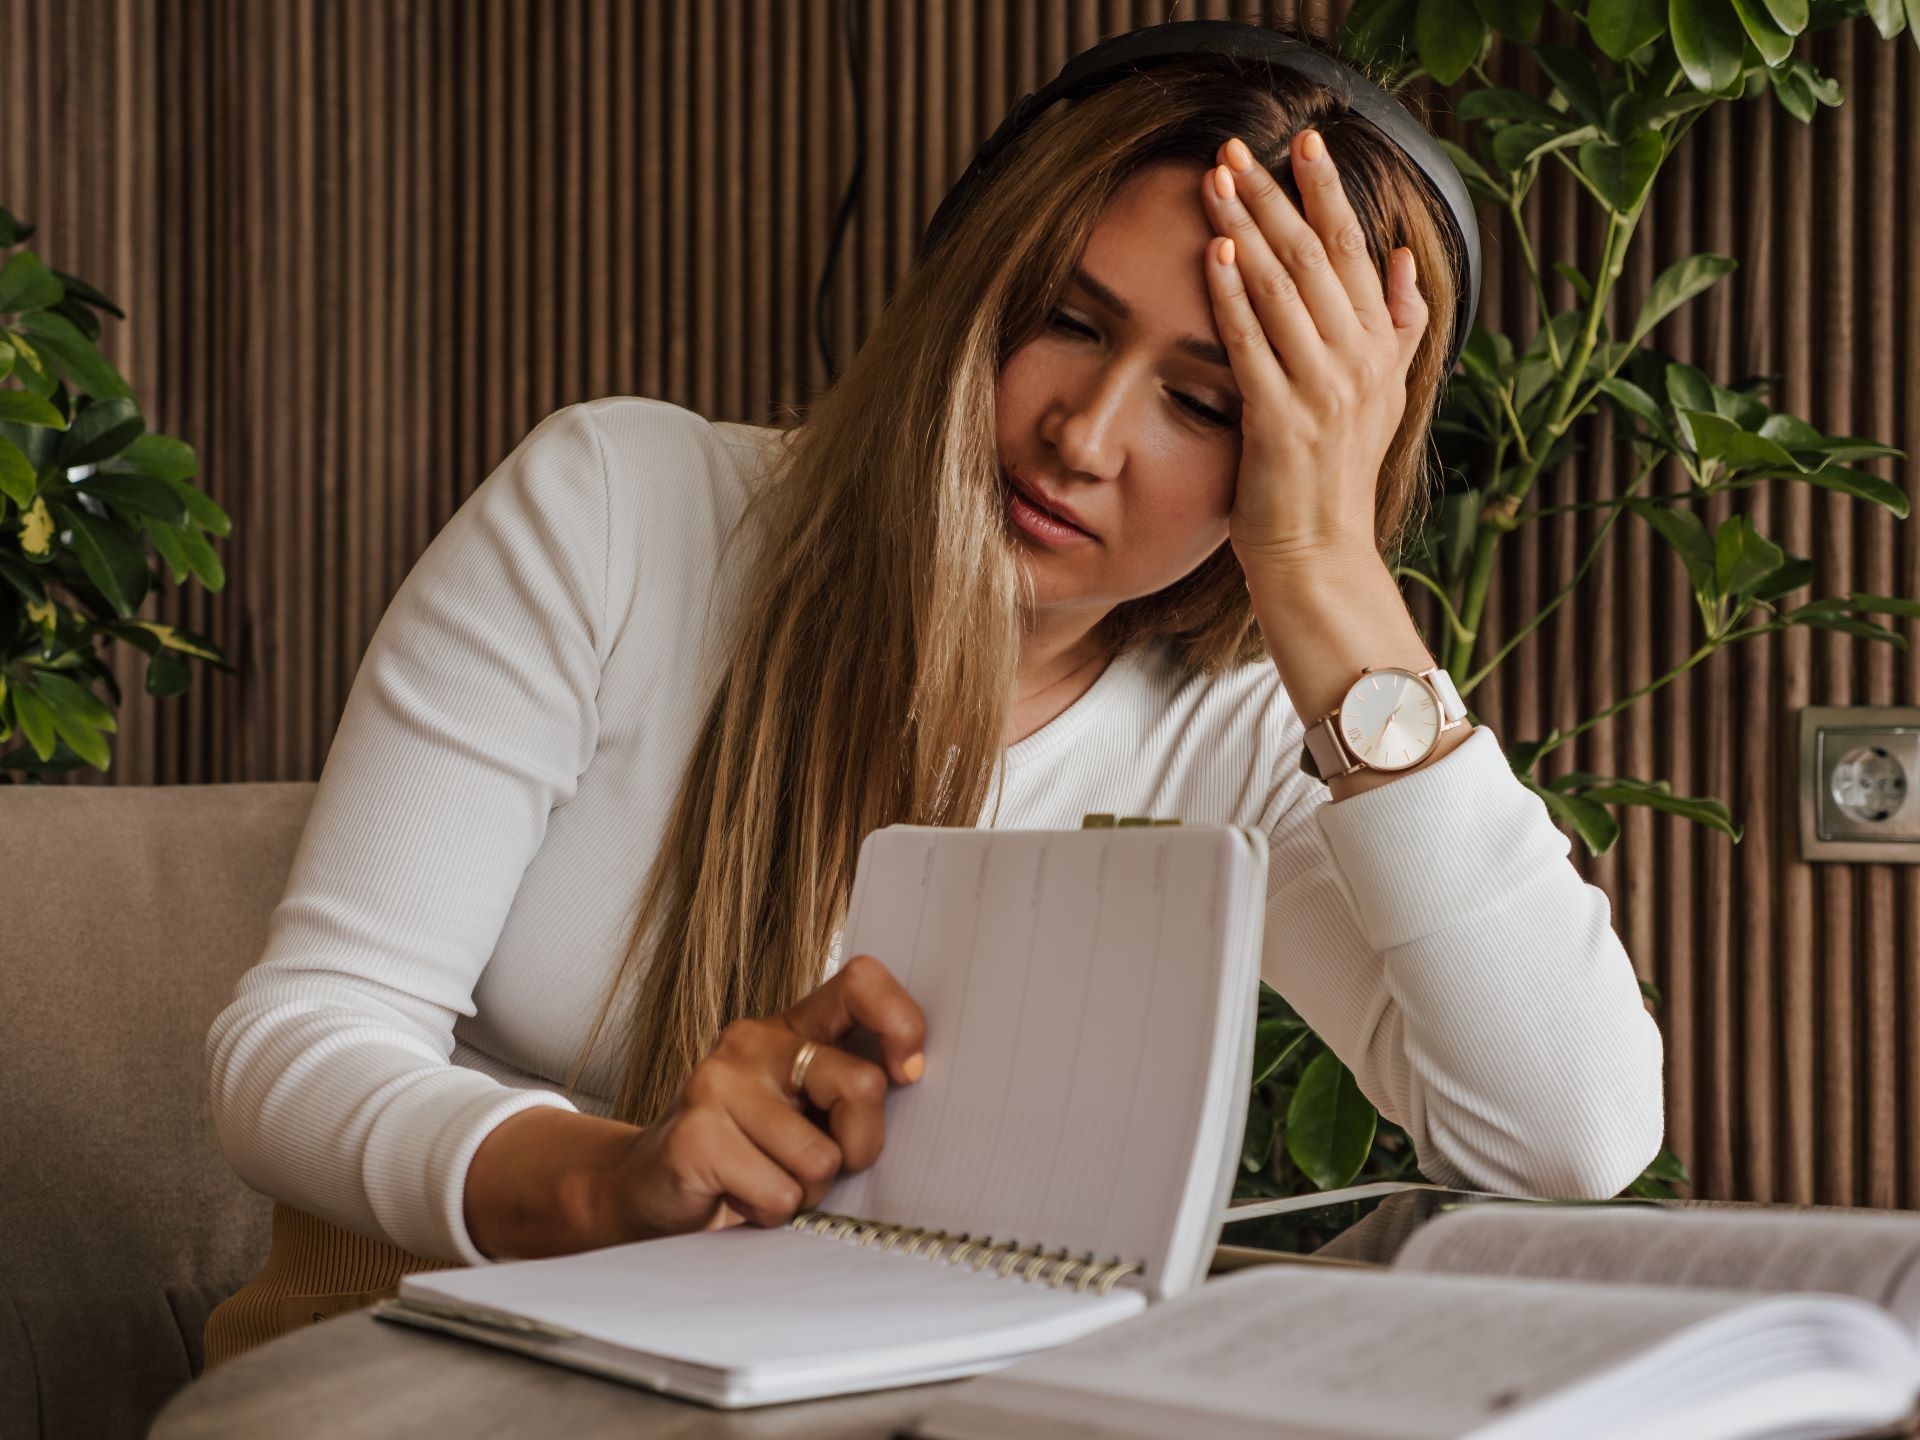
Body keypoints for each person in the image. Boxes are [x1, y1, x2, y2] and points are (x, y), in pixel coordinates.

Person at [201, 22, 1665, 1368]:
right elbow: (299, 1043)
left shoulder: (1250, 730)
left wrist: (1328, 574)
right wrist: (605, 1179)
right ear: (972, 275)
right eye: (1065, 320)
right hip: (418, 1358)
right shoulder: (616, 512)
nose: (1082, 436)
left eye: (1209, 403)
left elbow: (1568, 1133)